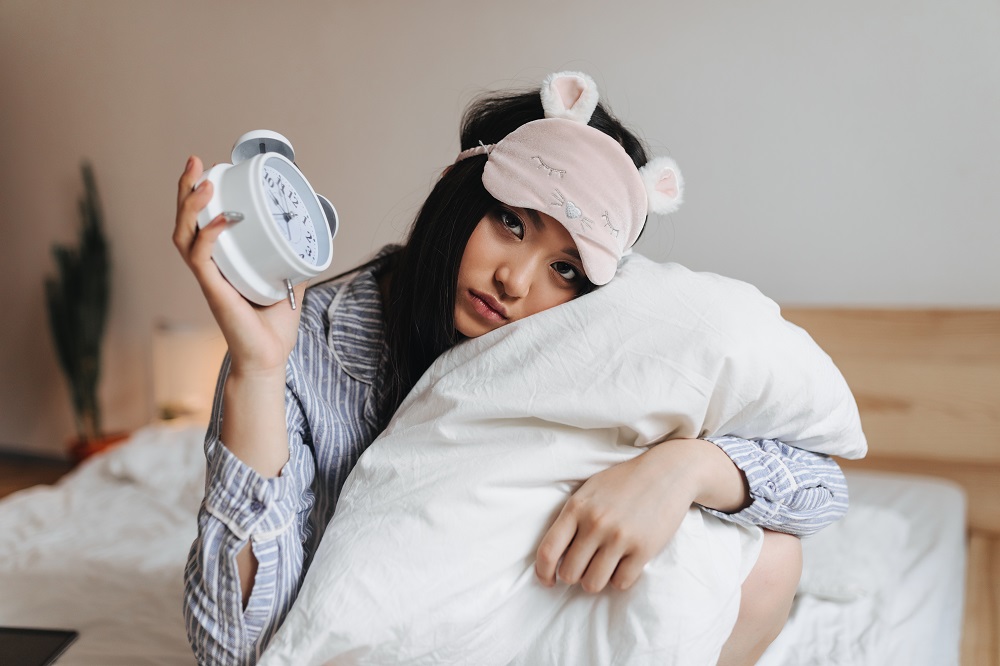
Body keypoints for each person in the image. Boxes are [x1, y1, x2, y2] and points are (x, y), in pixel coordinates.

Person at [175, 72, 848, 666]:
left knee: (770, 558)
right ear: (454, 190)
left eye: (566, 270)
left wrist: (682, 470)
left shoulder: (595, 338)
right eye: (509, 222)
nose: (516, 281)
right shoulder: (305, 347)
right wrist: (258, 373)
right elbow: (238, 650)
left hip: (534, 619)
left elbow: (822, 491)